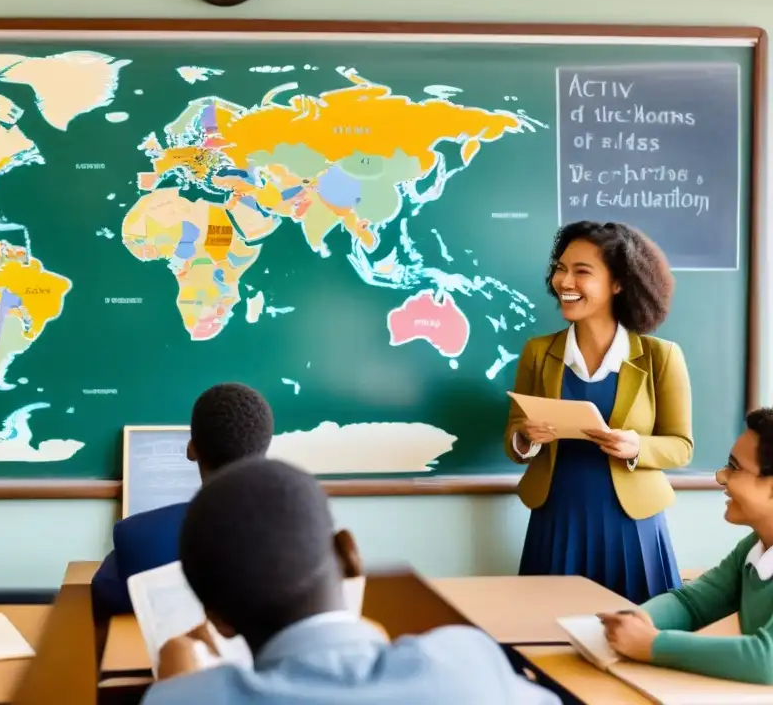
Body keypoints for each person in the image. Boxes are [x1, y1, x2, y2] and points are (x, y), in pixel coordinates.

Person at [143, 458, 561, 704]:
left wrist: (177, 682)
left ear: (217, 619)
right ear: (349, 555)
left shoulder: (184, 699)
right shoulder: (469, 666)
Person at [505, 221, 692, 603]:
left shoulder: (661, 356)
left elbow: (681, 447)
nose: (564, 281)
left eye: (581, 271)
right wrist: (526, 437)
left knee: (638, 634)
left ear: (618, 283)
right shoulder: (537, 352)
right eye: (560, 268)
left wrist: (635, 446)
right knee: (547, 631)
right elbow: (513, 437)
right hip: (557, 518)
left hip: (632, 523)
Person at [600, 407, 773, 684]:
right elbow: (691, 603)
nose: (720, 476)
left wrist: (651, 644)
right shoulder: (754, 547)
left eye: (734, 467)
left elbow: (767, 660)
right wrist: (637, 619)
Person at [91, 382, 274, 618]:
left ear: (191, 449)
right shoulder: (303, 534)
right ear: (265, 450)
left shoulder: (138, 537)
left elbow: (105, 595)